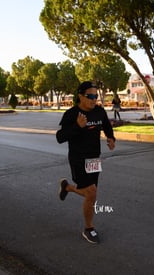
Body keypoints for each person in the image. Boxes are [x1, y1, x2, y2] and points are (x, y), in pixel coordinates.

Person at [56, 81, 116, 244]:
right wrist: (77, 126)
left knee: (92, 193)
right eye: (90, 96)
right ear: (80, 96)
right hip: (78, 159)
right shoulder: (71, 114)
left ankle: (67, 187)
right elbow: (60, 137)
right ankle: (89, 228)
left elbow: (106, 126)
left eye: (96, 96)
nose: (94, 99)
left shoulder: (99, 112)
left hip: (94, 158)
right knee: (91, 193)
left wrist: (111, 138)